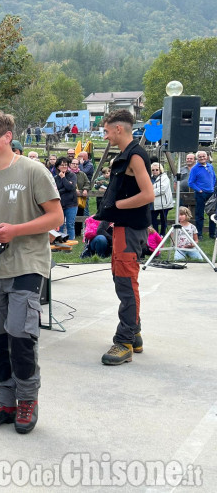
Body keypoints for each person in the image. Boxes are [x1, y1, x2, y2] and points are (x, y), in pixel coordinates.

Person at [0, 109, 63, 434]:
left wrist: (16, 230)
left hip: (27, 264)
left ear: (6, 137)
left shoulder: (33, 171)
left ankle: (27, 401)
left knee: (20, 336)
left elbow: (56, 218)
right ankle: (2, 401)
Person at [95, 110, 154, 366]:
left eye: (107, 131)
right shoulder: (127, 154)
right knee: (124, 281)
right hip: (124, 228)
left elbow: (148, 194)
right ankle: (135, 334)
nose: (105, 135)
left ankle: (125, 342)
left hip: (129, 228)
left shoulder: (136, 155)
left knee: (126, 284)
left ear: (119, 129)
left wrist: (118, 205)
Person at [187, 150, 216, 240]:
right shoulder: (195, 169)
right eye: (200, 157)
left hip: (211, 193)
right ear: (197, 158)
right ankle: (199, 234)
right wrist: (199, 190)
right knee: (199, 215)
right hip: (201, 194)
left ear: (207, 157)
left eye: (204, 156)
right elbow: (190, 183)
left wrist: (213, 187)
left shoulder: (210, 166)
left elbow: (214, 178)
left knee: (213, 214)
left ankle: (212, 233)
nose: (202, 158)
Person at [54, 157, 78, 240]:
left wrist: (63, 178)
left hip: (72, 204)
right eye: (62, 165)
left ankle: (70, 244)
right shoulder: (55, 178)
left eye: (66, 165)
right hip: (60, 204)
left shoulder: (72, 175)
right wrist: (67, 186)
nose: (64, 166)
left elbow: (70, 188)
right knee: (59, 225)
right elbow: (56, 191)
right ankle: (59, 243)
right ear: (58, 167)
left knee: (70, 224)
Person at [150, 162, 173, 236]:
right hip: (153, 203)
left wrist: (150, 193)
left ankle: (162, 234)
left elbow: (162, 189)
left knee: (163, 219)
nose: (155, 171)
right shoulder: (149, 177)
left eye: (157, 169)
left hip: (163, 203)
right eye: (153, 170)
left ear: (160, 170)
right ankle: (155, 234)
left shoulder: (164, 177)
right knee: (153, 219)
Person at [70, 157, 89, 237]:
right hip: (69, 198)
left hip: (80, 198)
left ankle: (78, 232)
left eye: (77, 164)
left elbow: (87, 183)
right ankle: (70, 232)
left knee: (80, 213)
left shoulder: (82, 174)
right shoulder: (67, 173)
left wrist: (85, 189)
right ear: (70, 164)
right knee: (70, 216)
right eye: (73, 164)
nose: (75, 165)